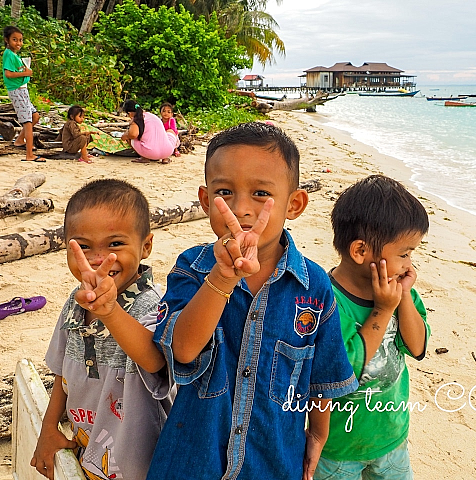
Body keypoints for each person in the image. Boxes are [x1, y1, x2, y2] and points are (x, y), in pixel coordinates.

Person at [147, 122, 359, 480]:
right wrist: (221, 279)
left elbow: (322, 377)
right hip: (192, 459)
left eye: (260, 193)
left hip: (273, 462)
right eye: (225, 192)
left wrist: (318, 436)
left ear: (294, 204)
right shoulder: (193, 269)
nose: (242, 208)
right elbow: (182, 350)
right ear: (205, 200)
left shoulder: (315, 287)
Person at [30, 179, 171, 480]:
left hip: (144, 466)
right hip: (90, 456)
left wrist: (110, 312)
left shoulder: (155, 305)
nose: (98, 259)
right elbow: (61, 374)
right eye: (83, 247)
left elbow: (154, 361)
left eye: (115, 244)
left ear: (145, 246)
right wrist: (49, 428)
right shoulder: (74, 303)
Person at [315, 175, 431, 480]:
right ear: (360, 251)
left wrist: (403, 298)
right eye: (404, 253)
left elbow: (417, 347)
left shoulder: (399, 292)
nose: (410, 264)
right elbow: (346, 370)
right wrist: (382, 310)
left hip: (390, 438)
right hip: (339, 449)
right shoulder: (329, 302)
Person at [2, 26, 45, 162]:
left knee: (35, 116)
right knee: (27, 122)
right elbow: (8, 74)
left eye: (20, 40)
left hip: (23, 90)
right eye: (15, 40)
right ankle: (29, 155)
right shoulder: (8, 54)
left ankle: (20, 140)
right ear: (7, 40)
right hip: (17, 91)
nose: (18, 43)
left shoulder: (15, 55)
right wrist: (25, 73)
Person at [121, 100, 179, 164]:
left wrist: (125, 136)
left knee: (130, 137)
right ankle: (165, 158)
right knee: (170, 131)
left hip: (150, 153)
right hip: (167, 151)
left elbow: (133, 135)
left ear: (129, 113)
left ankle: (144, 157)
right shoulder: (152, 116)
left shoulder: (136, 119)